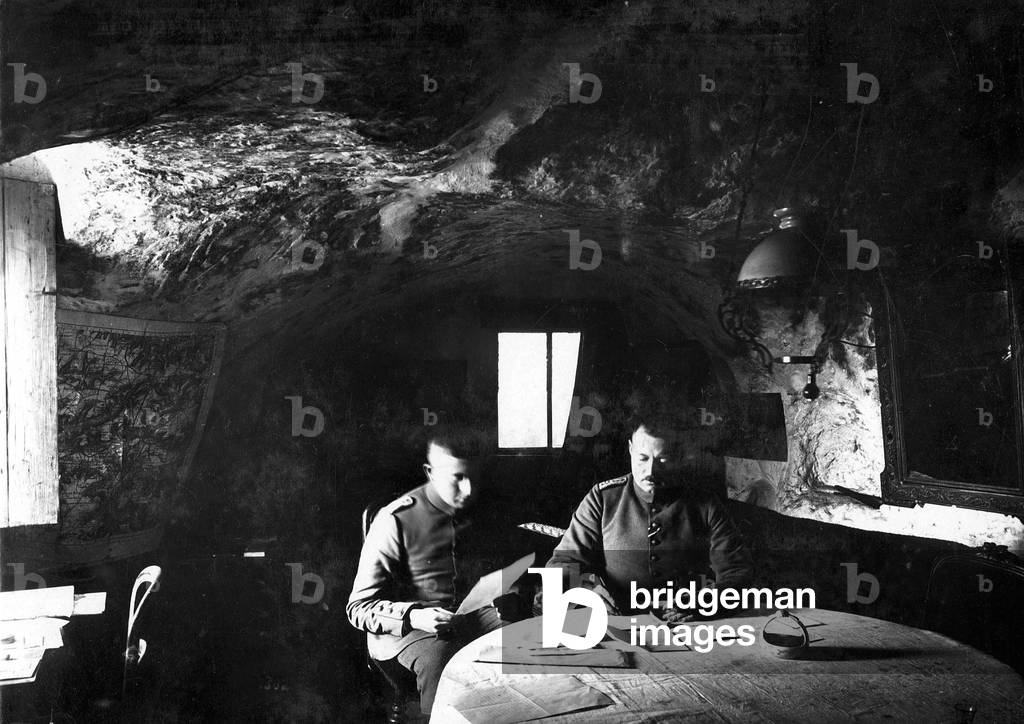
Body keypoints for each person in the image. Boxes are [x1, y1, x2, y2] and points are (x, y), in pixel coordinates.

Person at [347, 428, 531, 715]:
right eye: (457, 478)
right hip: (406, 631)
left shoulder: (484, 511)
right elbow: (358, 608)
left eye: (474, 477)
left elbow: (503, 571)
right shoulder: (395, 520)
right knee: (443, 659)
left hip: (469, 616)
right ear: (430, 472)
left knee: (526, 642)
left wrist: (509, 593)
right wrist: (415, 615)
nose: (469, 489)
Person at [545, 407, 753, 620]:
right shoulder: (603, 498)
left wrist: (705, 603)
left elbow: (737, 572)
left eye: (663, 460)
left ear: (680, 457)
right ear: (630, 449)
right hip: (618, 622)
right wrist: (587, 591)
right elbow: (562, 563)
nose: (651, 471)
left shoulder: (705, 503)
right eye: (643, 458)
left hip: (687, 623)